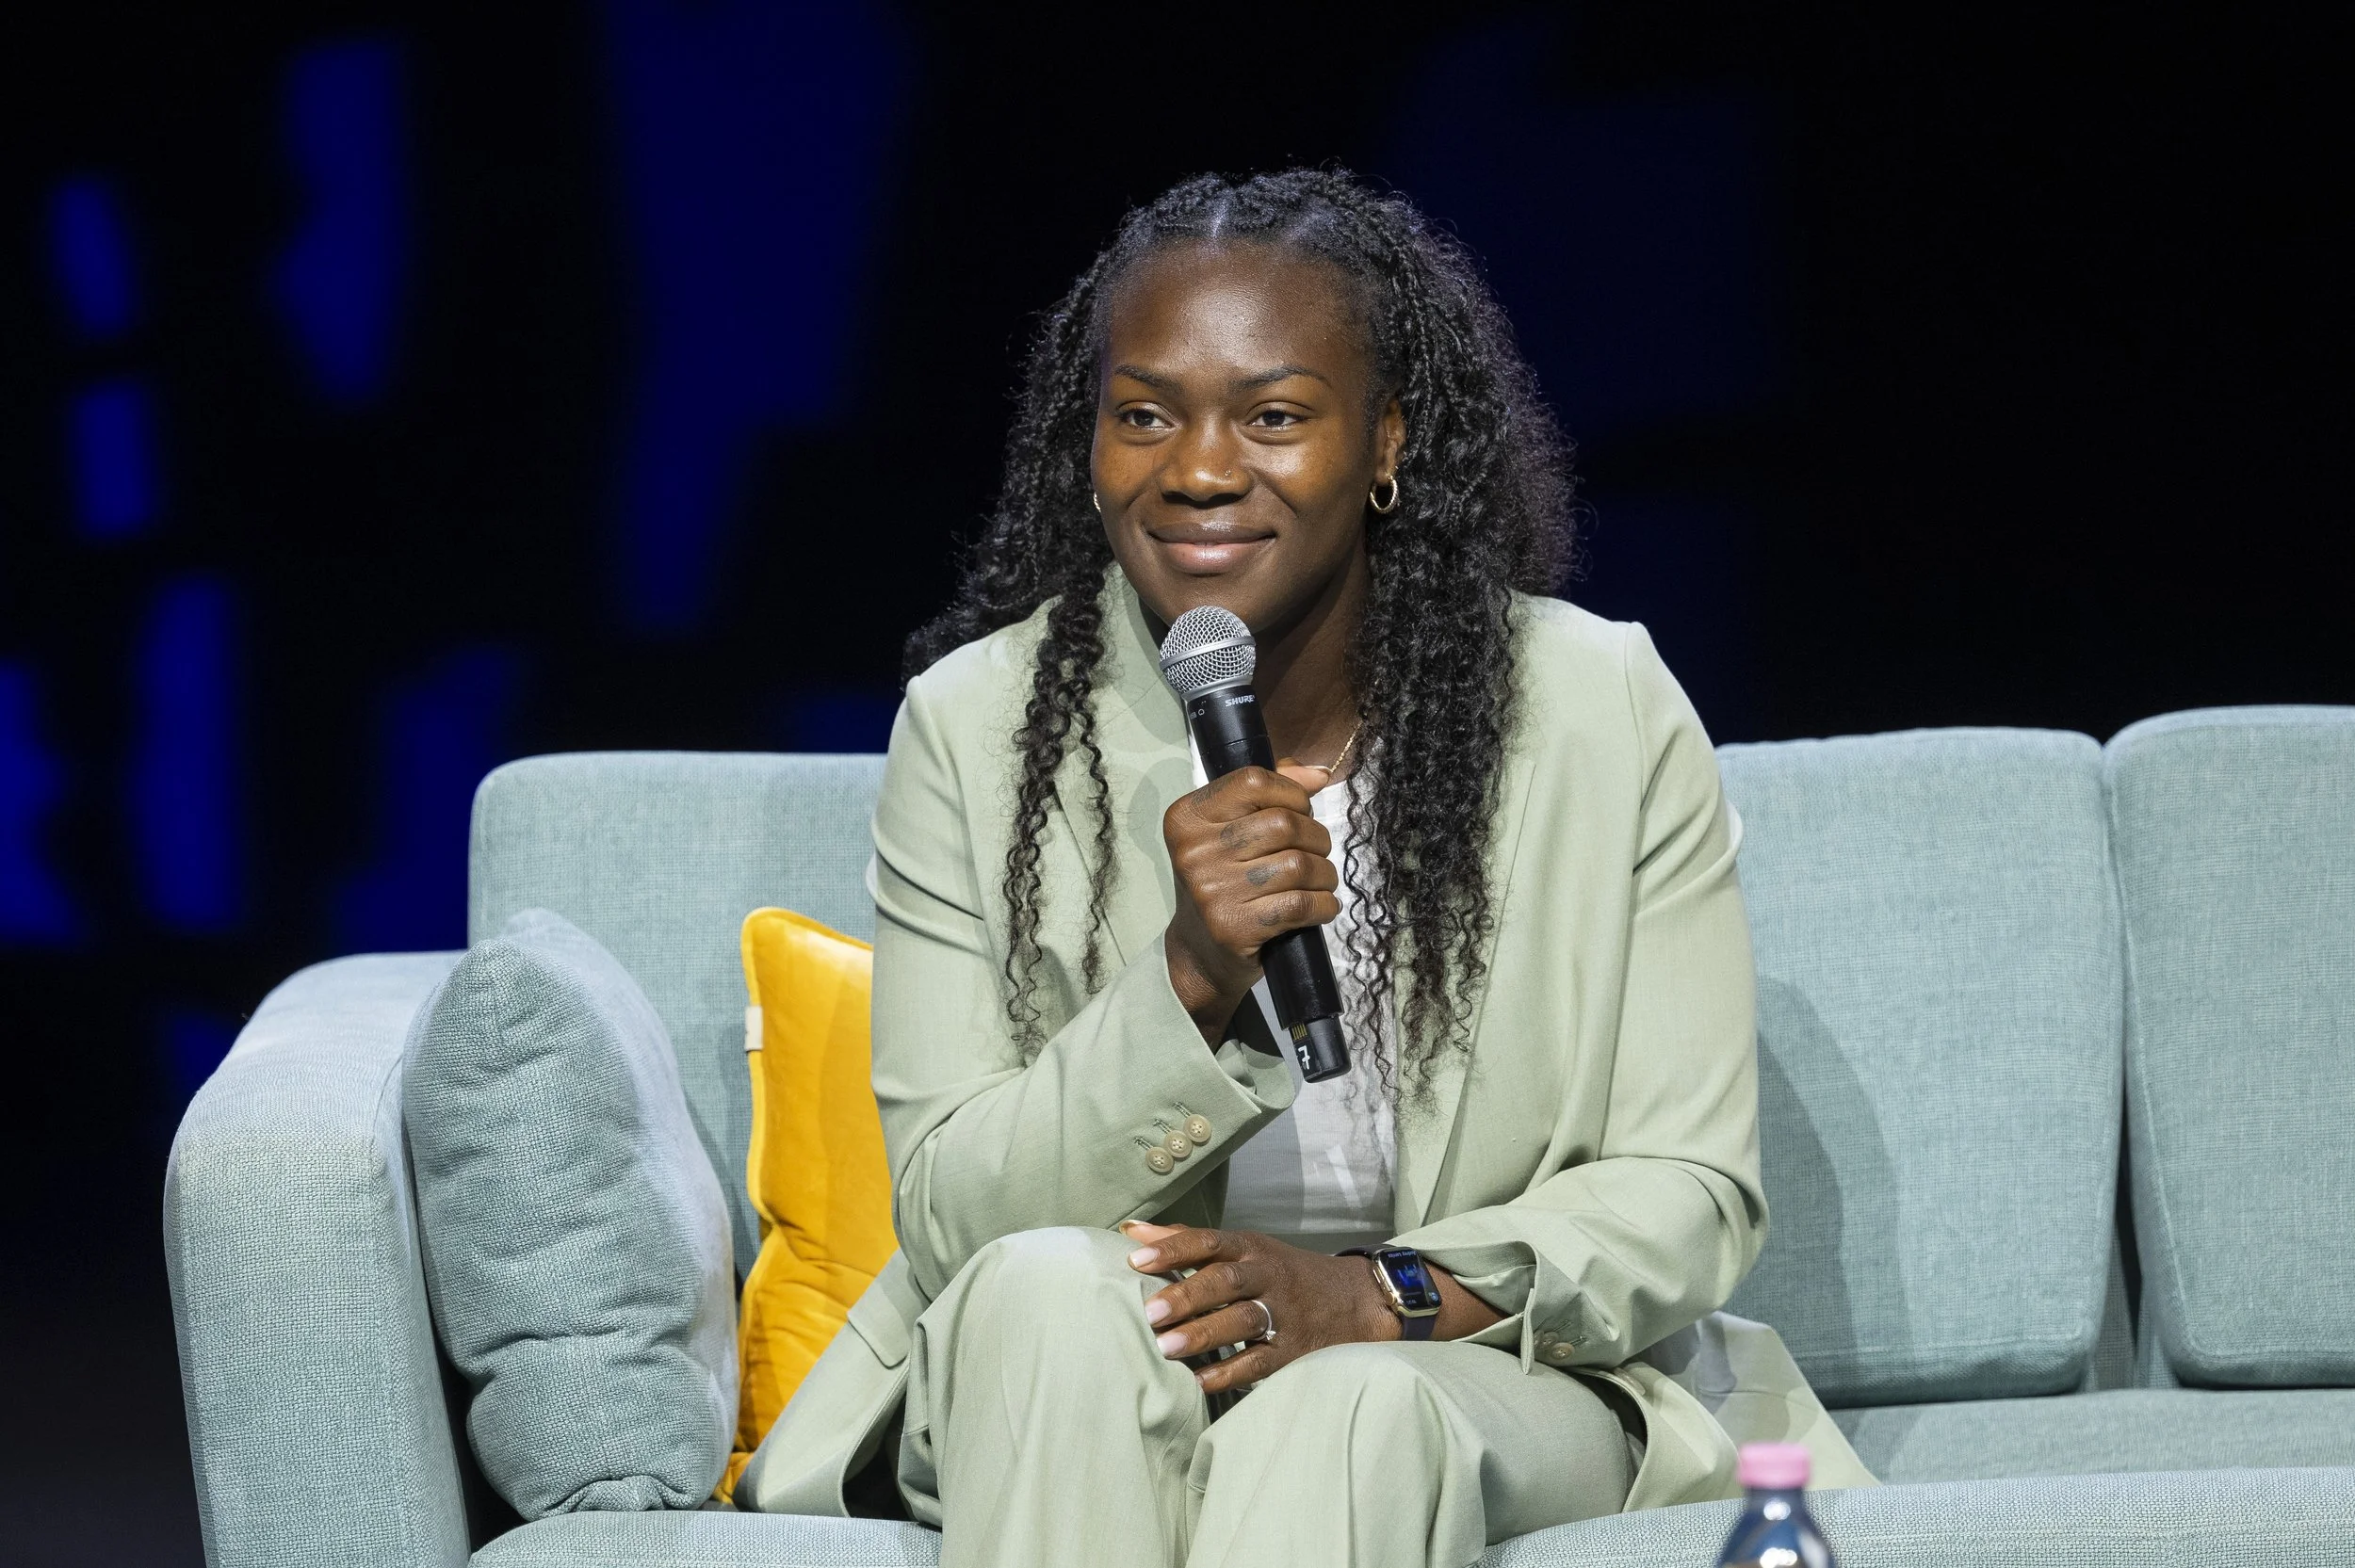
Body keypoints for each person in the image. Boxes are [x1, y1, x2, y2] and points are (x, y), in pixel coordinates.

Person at [736, 168, 1869, 1567]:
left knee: (1344, 1413)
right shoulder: (977, 730)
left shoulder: (1598, 708)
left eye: (1273, 416)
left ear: (1386, 439)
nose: (1199, 468)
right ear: (1088, 446)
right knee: (1040, 1290)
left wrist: (1371, 1295)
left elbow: (1688, 1193)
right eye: (1144, 414)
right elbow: (959, 1213)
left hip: (1468, 1365)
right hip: (1083, 1356)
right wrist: (1189, 983)